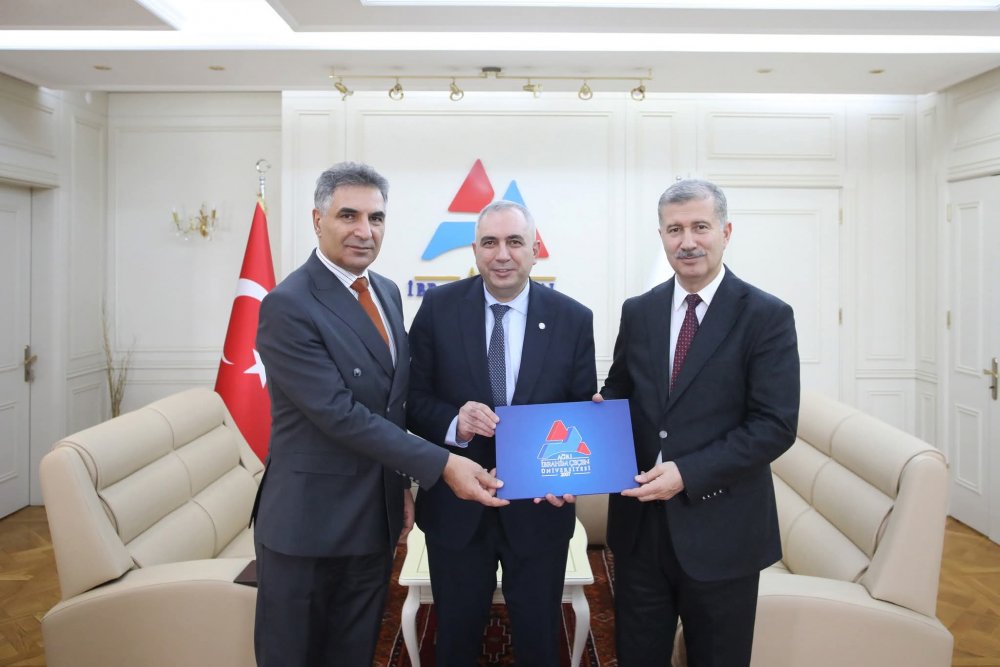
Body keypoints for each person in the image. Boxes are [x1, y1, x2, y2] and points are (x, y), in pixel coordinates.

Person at [251, 162, 508, 667]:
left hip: (374, 519)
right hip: (308, 525)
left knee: (354, 652)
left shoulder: (385, 291)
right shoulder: (289, 305)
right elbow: (340, 415)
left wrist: (400, 488)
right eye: (348, 215)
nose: (364, 231)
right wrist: (442, 464)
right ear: (317, 220)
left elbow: (392, 405)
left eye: (376, 217)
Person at [597, 179, 800, 666]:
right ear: (662, 237)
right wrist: (596, 417)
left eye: (700, 227)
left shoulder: (766, 316)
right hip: (640, 528)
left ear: (725, 232)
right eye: (675, 229)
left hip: (723, 531)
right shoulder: (639, 311)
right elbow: (621, 388)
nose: (687, 241)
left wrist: (687, 473)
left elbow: (774, 425)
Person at [407, 200, 597, 666]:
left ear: (535, 250)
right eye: (490, 243)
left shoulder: (573, 318)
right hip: (456, 509)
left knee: (539, 640)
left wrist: (571, 474)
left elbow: (579, 413)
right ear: (475, 250)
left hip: (540, 510)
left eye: (515, 242)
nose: (502, 254)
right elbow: (412, 399)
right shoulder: (437, 308)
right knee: (454, 641)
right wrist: (454, 422)